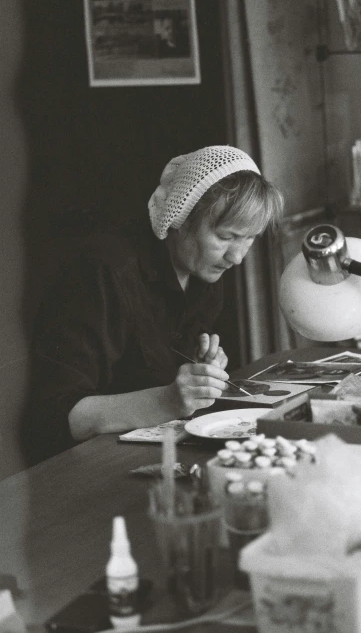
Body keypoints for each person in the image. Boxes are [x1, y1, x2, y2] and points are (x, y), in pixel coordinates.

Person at [24, 146, 283, 463]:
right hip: (80, 467)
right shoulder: (106, 271)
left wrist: (199, 369)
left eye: (249, 238)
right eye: (226, 237)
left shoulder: (204, 273)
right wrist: (169, 400)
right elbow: (55, 418)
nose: (237, 257)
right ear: (180, 218)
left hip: (153, 453)